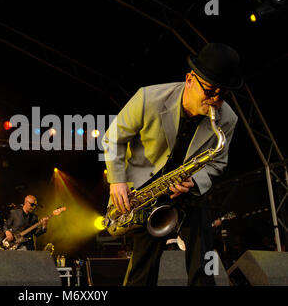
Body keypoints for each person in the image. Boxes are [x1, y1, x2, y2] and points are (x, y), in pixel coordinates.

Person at [102, 43, 243, 286]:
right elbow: (114, 137)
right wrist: (117, 180)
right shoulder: (148, 98)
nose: (216, 101)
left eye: (223, 94)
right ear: (190, 79)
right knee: (143, 270)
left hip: (190, 193)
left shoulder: (228, 118)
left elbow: (219, 162)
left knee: (203, 264)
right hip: (147, 192)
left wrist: (195, 181)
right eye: (210, 91)